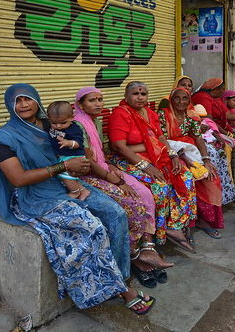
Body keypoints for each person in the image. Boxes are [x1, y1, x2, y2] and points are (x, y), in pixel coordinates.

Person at [0, 83, 155, 315]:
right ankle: (121, 290)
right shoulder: (5, 139)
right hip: (36, 195)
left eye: (27, 99)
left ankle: (121, 277)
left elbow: (77, 149)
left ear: (37, 100)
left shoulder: (51, 124)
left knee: (116, 213)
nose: (23, 105)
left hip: (66, 183)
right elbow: (18, 179)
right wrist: (63, 166)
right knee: (92, 227)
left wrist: (82, 161)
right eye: (17, 101)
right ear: (9, 106)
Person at [73, 86, 172, 288]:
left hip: (102, 168)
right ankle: (135, 257)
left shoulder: (95, 121)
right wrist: (115, 179)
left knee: (144, 193)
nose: (98, 104)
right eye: (92, 100)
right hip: (87, 176)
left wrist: (110, 167)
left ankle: (148, 248)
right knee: (131, 204)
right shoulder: (78, 125)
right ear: (80, 104)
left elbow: (99, 154)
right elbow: (87, 162)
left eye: (100, 99)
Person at [108, 81, 197, 253]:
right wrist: (145, 165)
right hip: (127, 159)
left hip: (155, 155)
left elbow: (161, 138)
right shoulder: (121, 113)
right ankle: (162, 230)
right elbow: (119, 146)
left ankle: (175, 224)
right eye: (135, 94)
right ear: (126, 96)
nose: (140, 97)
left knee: (185, 177)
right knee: (160, 185)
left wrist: (173, 155)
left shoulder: (149, 113)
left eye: (143, 94)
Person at [158, 87, 224, 239]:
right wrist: (185, 159)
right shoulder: (163, 115)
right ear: (171, 100)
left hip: (189, 150)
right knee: (189, 177)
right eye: (177, 98)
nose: (181, 102)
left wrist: (206, 160)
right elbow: (161, 139)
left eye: (185, 98)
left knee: (210, 177)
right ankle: (187, 222)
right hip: (170, 152)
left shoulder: (191, 116)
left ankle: (204, 220)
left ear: (189, 100)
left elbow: (198, 137)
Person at [47, 101, 90, 200]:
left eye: (63, 123)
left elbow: (79, 143)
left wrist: (68, 143)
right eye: (54, 123)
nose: (58, 126)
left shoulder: (74, 129)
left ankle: (74, 192)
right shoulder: (52, 125)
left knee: (64, 175)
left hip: (74, 156)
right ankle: (83, 191)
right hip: (64, 156)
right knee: (66, 176)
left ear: (72, 117)